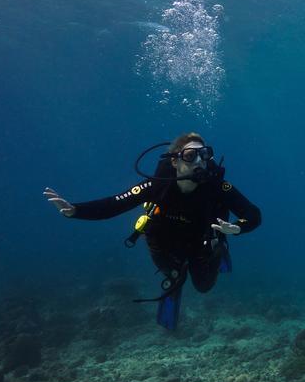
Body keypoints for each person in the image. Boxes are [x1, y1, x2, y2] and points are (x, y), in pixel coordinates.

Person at [44, 132, 261, 328]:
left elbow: (253, 214)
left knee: (203, 286)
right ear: (175, 161)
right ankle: (175, 277)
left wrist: (237, 228)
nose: (199, 162)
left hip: (200, 239)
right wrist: (76, 210)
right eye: (190, 156)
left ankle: (218, 250)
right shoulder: (158, 185)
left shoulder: (217, 186)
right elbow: (115, 204)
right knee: (174, 274)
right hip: (164, 237)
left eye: (204, 155)